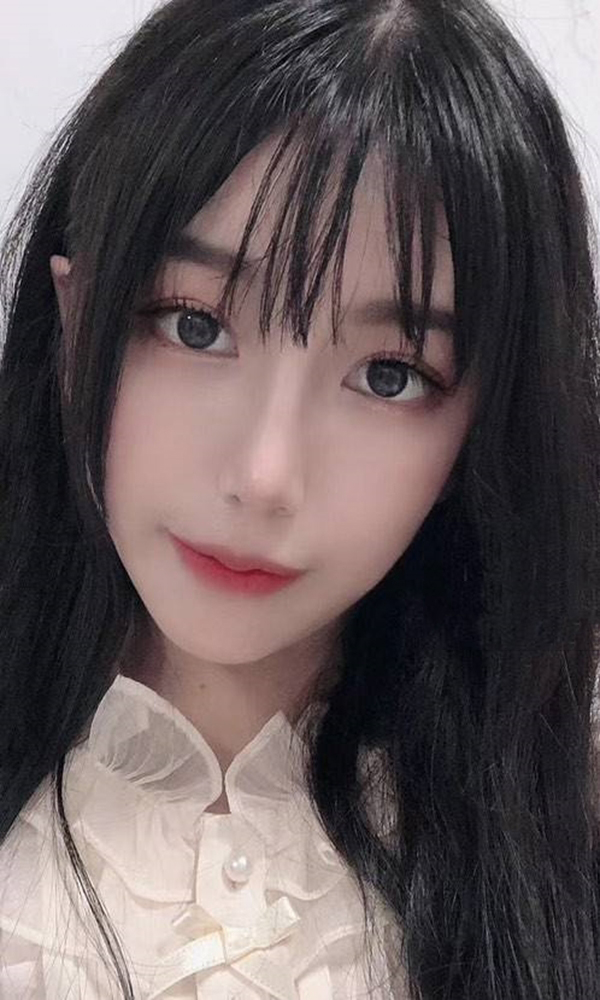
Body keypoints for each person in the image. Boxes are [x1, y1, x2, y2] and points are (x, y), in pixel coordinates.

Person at [1, 0, 599, 996]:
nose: (266, 475)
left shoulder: (556, 824)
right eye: (194, 325)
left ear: (484, 430)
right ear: (74, 322)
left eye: (391, 376)